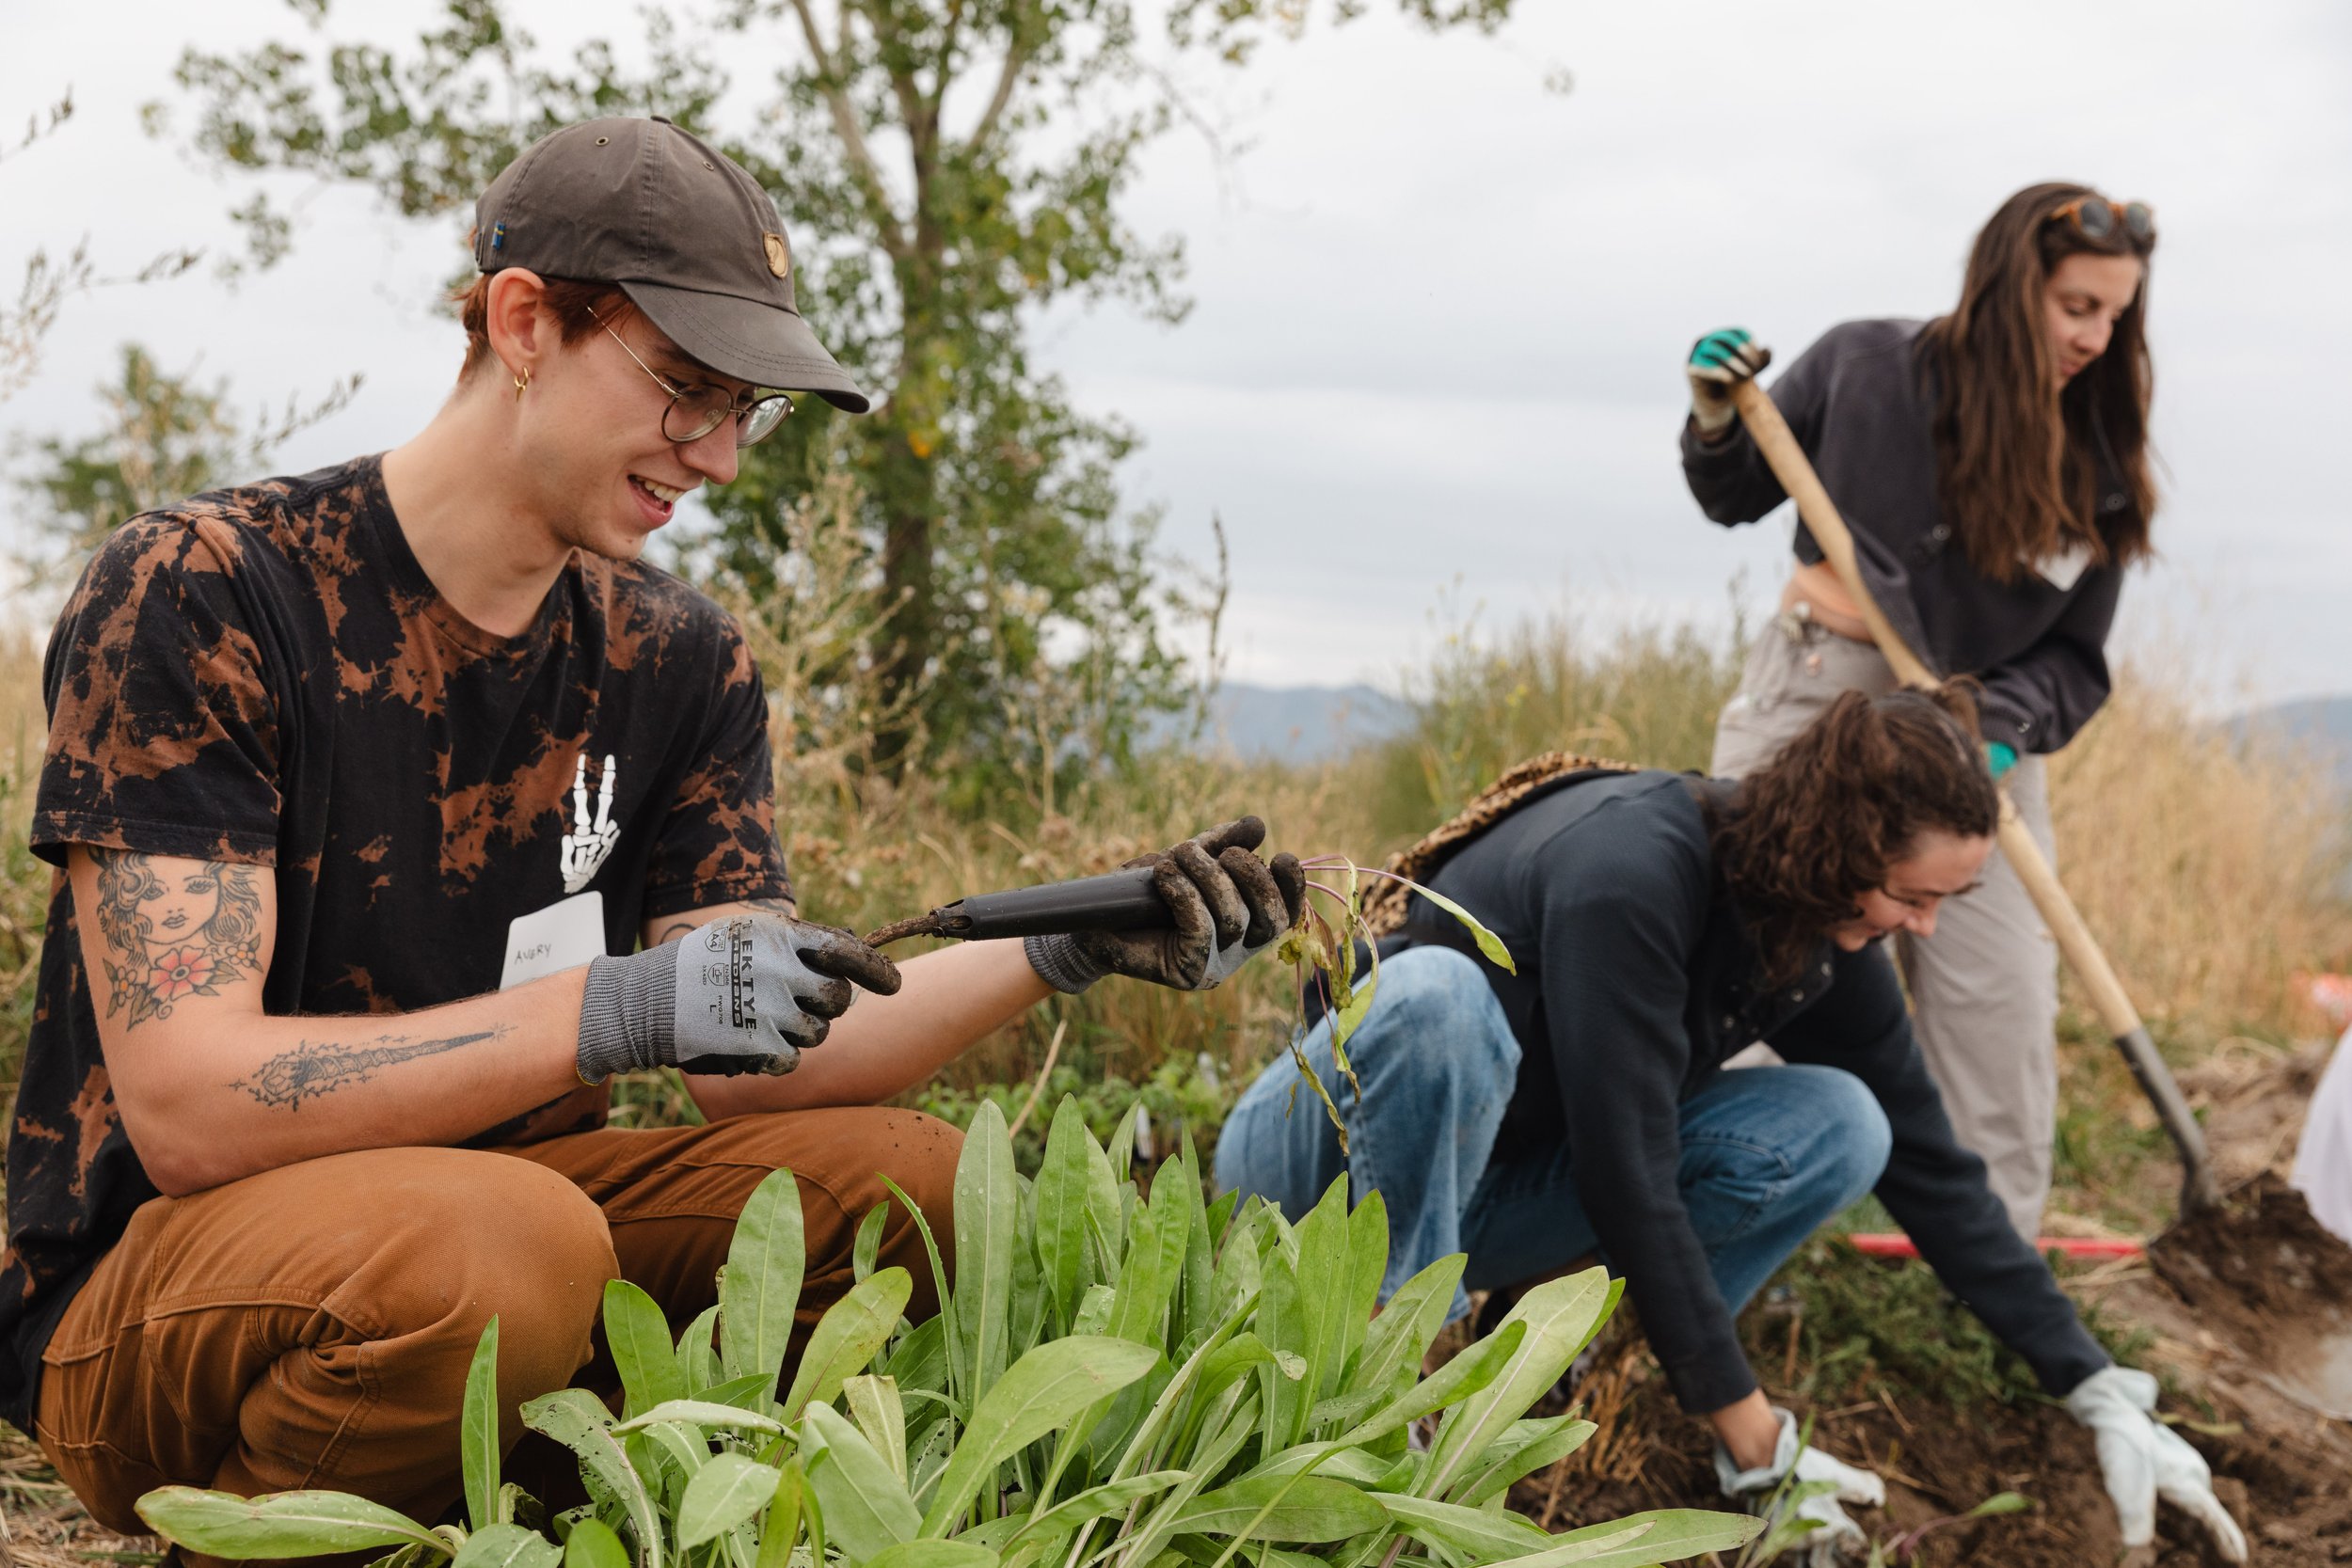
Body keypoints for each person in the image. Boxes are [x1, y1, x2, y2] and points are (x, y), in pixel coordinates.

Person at [6, 116, 1302, 1540]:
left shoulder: (680, 661)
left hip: (502, 1248)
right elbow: (189, 1104)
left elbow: (755, 1057)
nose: (721, 459)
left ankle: (582, 1501)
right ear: (523, 323)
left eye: (749, 410)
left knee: (915, 1190)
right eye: (686, 389)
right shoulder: (206, 593)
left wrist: (1060, 941)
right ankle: (276, 1528)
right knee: (516, 1245)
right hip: (161, 1294)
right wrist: (611, 1008)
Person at [1215, 688, 2243, 1563]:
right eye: (1912, 896)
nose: (1922, 927)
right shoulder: (1631, 869)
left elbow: (1931, 1160)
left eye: (1944, 903)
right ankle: (1372, 1411)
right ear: (1841, 842)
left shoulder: (1818, 926)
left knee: (1847, 1119)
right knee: (1442, 998)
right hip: (1316, 1164)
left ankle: (1530, 1347)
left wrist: (2092, 1378)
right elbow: (1627, 1167)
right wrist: (1755, 1435)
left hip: (1485, 1188)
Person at [1678, 182, 2158, 1240]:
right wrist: (1716, 415)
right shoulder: (1861, 366)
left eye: (2115, 315)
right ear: (2007, 285)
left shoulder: (2097, 462)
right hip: (1817, 689)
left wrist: (1999, 730)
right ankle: (1715, 1219)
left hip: (1979, 733)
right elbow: (1734, 491)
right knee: (1753, 939)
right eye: (2077, 305)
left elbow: (2073, 660)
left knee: (2000, 988)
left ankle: (1990, 1254)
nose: (2096, 335)